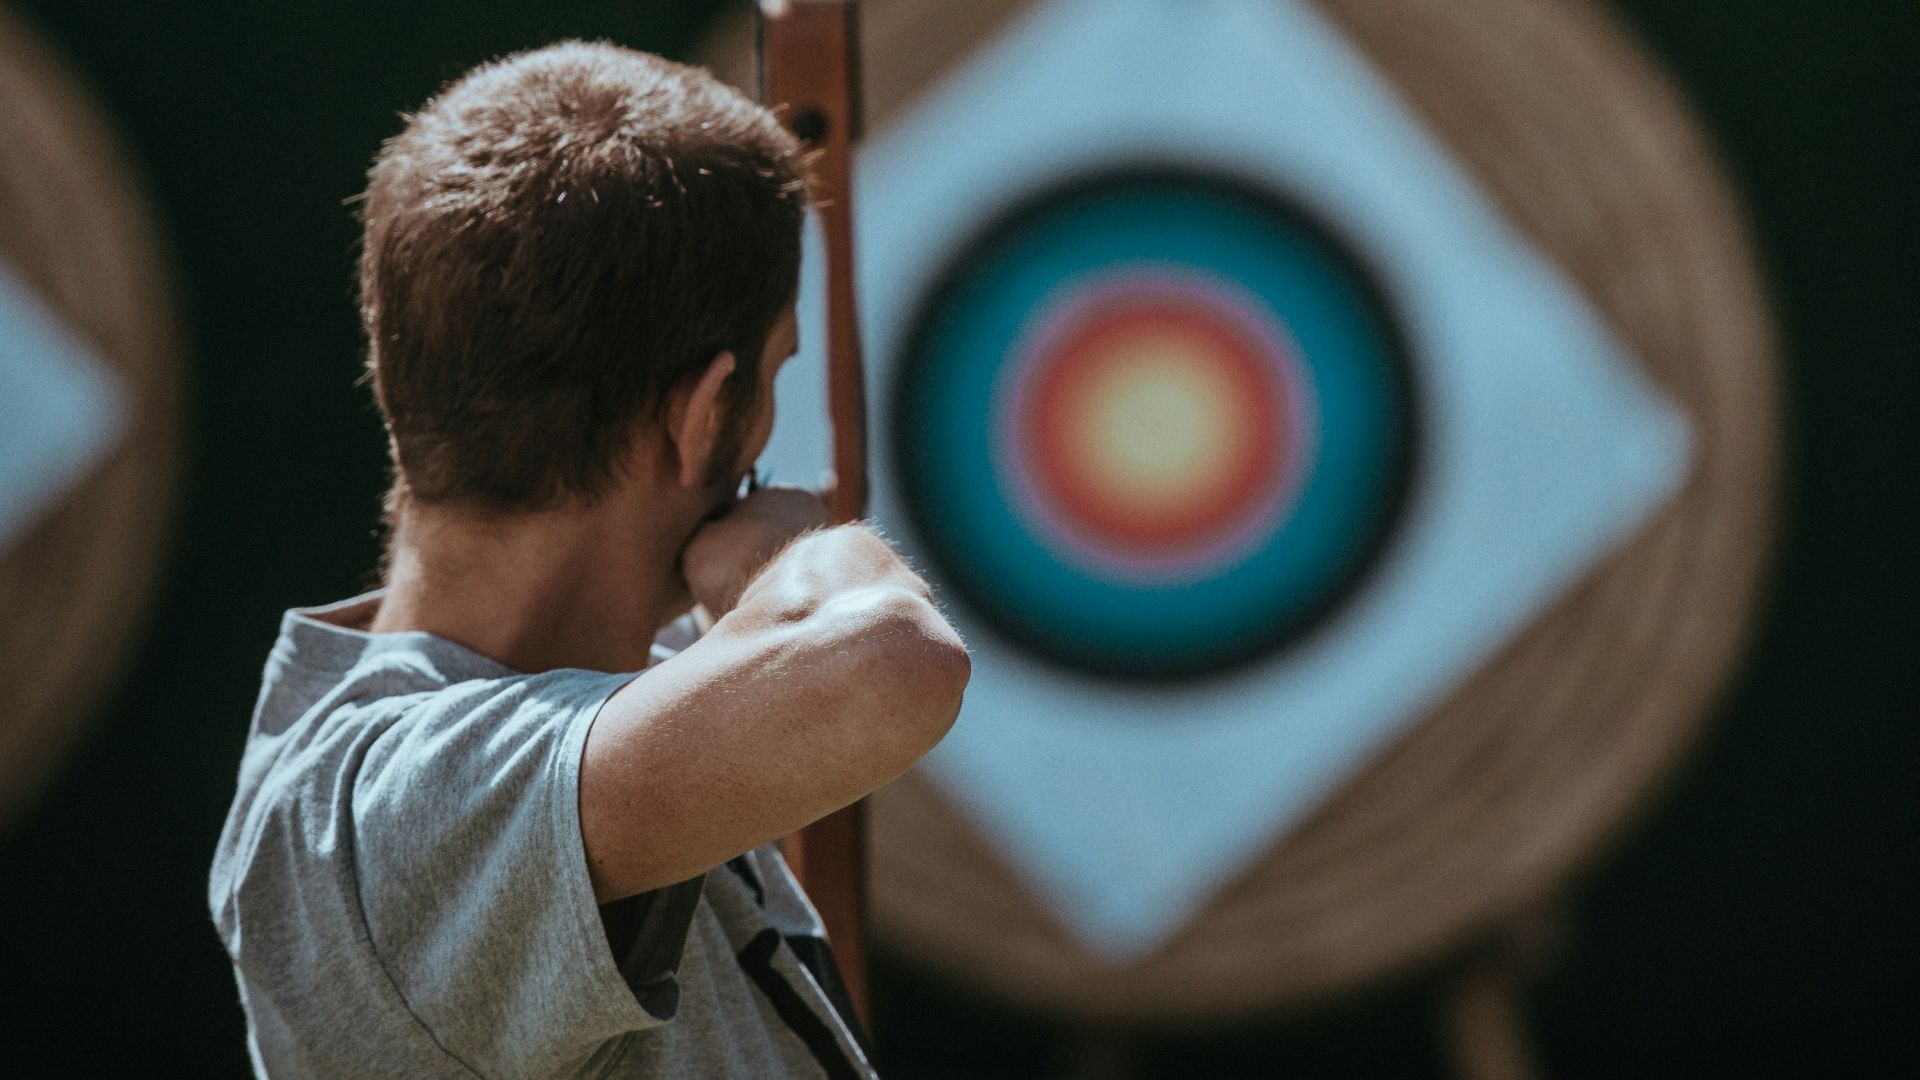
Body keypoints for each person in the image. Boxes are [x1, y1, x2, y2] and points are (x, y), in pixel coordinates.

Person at [208, 41, 969, 1079]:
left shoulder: (607, 717)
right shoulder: (383, 815)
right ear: (705, 418)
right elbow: (888, 662)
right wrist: (788, 565)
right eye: (776, 369)